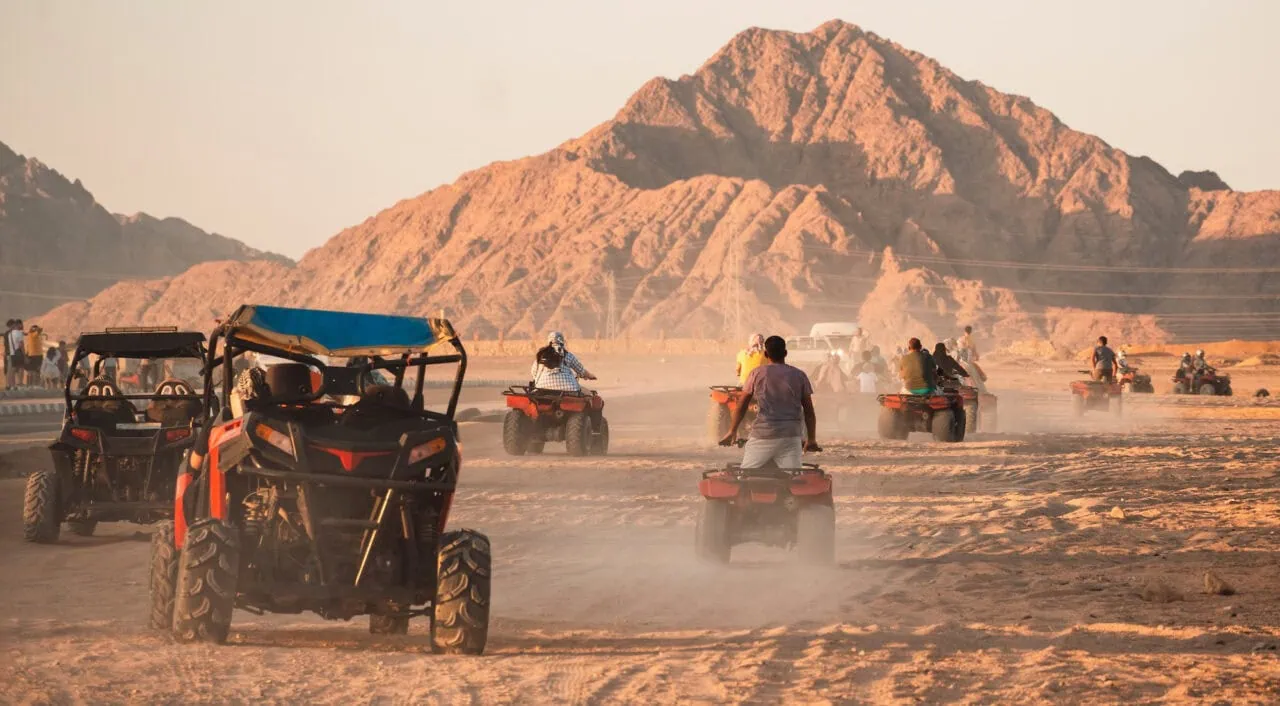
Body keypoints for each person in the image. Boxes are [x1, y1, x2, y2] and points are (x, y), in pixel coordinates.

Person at [719, 335, 820, 467]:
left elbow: (742, 405)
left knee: (745, 477)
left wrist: (732, 431)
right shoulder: (799, 375)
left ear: (766, 354)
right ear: (785, 353)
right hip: (791, 437)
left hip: (763, 436)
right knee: (793, 478)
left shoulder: (756, 373)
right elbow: (809, 411)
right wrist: (811, 439)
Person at [530, 331, 596, 393]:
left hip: (542, 388)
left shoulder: (541, 355)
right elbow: (581, 371)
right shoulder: (568, 355)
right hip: (569, 389)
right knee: (584, 393)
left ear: (549, 342)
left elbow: (534, 373)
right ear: (562, 342)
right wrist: (591, 376)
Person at [6, 320, 25, 389]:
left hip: (12, 354)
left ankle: (12, 385)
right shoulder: (19, 333)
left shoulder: (9, 334)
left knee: (13, 370)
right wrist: (24, 355)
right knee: (21, 368)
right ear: (17, 324)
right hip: (19, 353)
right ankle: (20, 383)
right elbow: (21, 345)